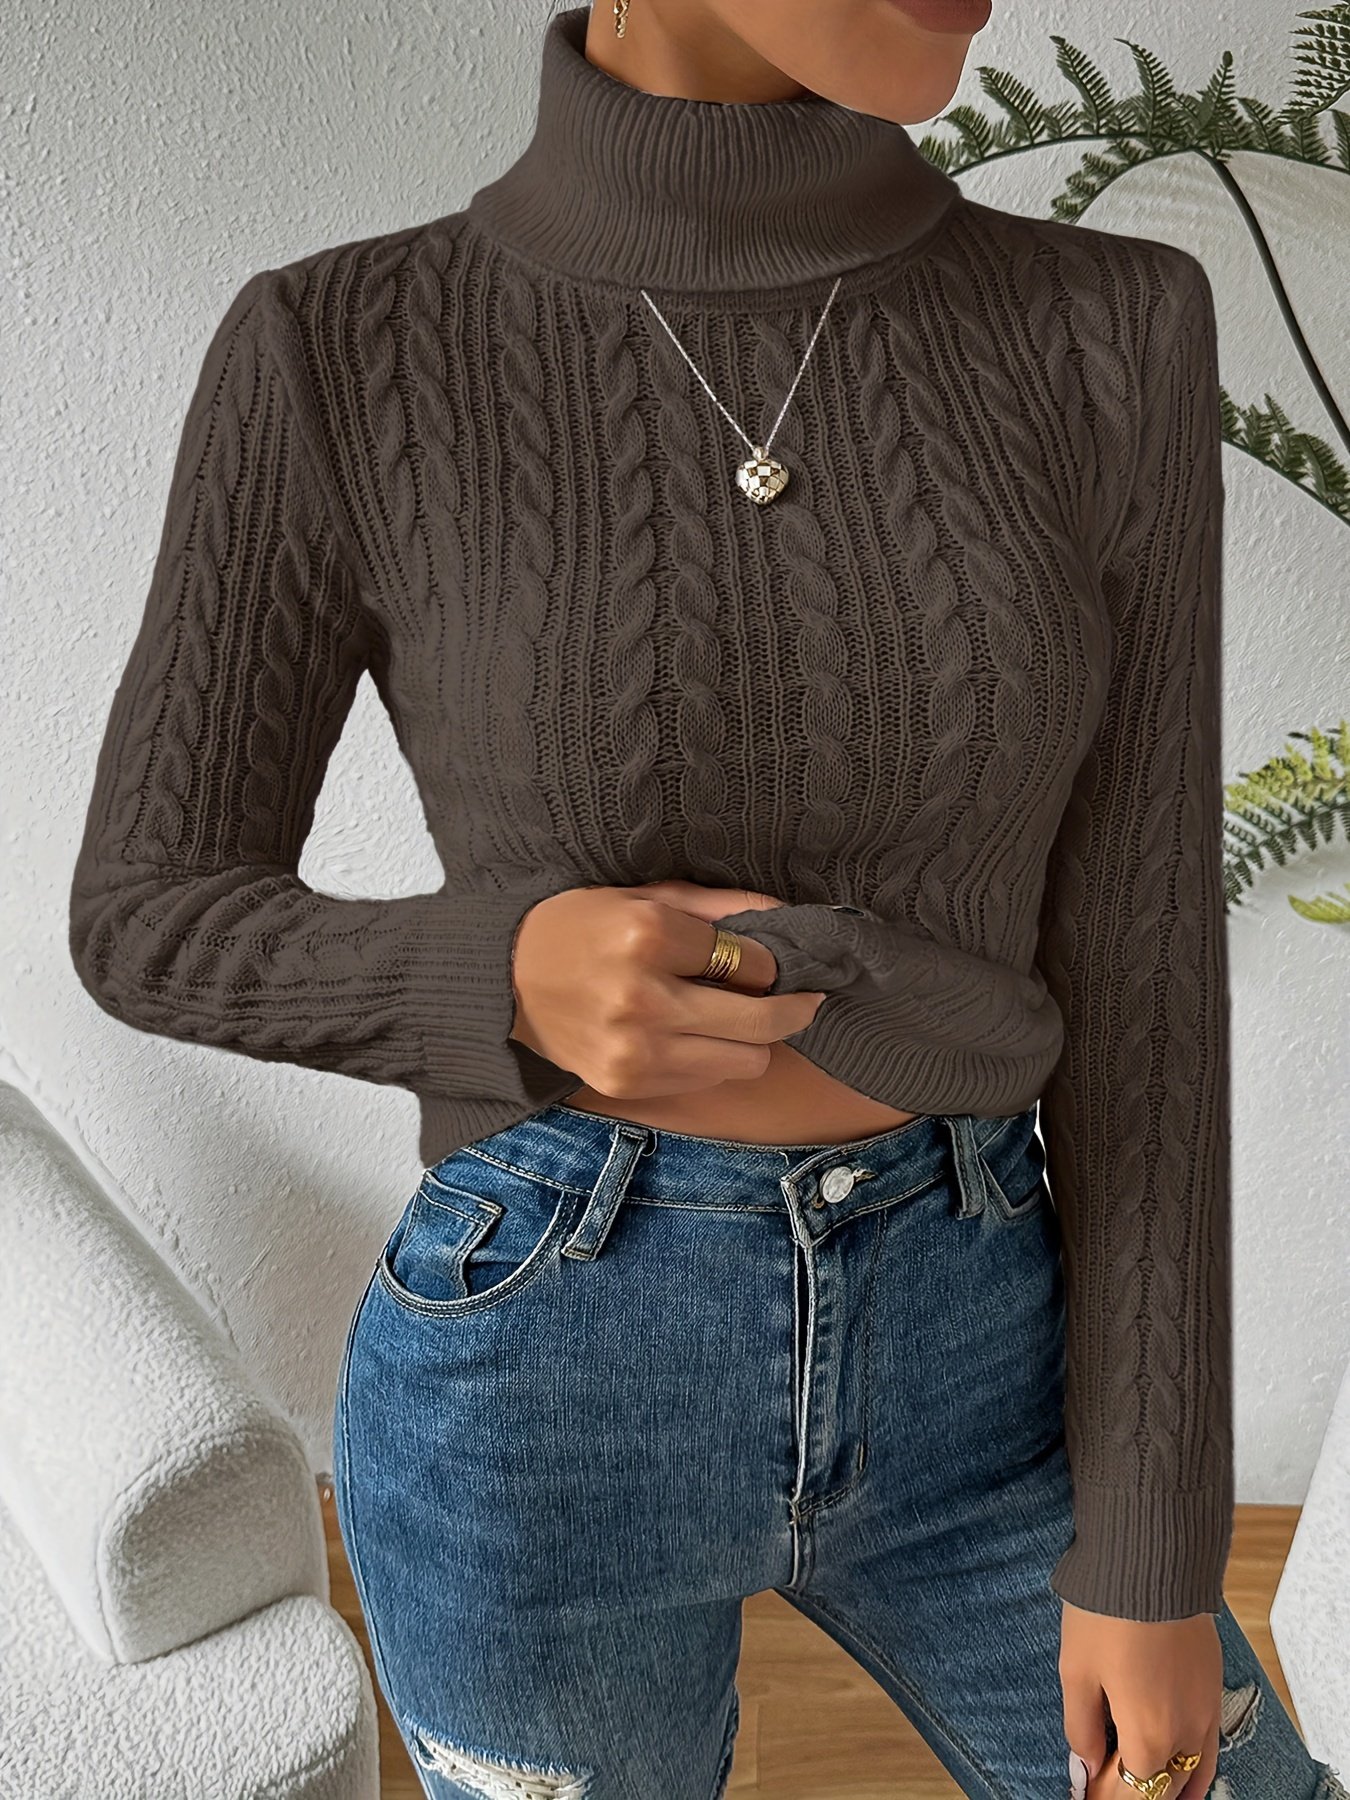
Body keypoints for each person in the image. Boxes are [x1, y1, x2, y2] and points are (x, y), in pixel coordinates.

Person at [66, 1, 1346, 1796]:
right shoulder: (340, 342)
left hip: (991, 1354)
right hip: (544, 1374)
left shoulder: (1106, 320)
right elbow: (147, 913)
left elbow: (1145, 979)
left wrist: (1150, 1549)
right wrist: (498, 973)